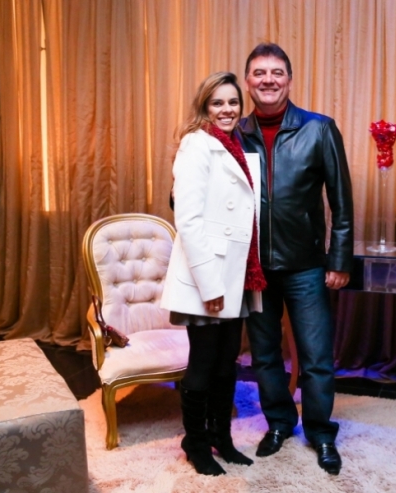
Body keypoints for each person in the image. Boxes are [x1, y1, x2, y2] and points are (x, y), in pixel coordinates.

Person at [239, 43, 354, 475]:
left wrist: (338, 260)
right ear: (248, 81)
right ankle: (279, 423)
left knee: (316, 356)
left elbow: (341, 202)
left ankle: (321, 433)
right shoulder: (234, 133)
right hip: (254, 268)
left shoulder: (319, 129)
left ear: (289, 79)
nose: (268, 80)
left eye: (276, 72)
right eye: (259, 73)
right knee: (265, 355)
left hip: (306, 265)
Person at [161, 72, 266, 476]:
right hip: (207, 275)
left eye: (233, 102)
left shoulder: (237, 145)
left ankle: (221, 436)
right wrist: (210, 285)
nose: (227, 109)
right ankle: (196, 442)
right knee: (203, 364)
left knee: (227, 363)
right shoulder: (196, 144)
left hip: (237, 273)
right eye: (218, 103)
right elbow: (188, 221)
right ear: (205, 107)